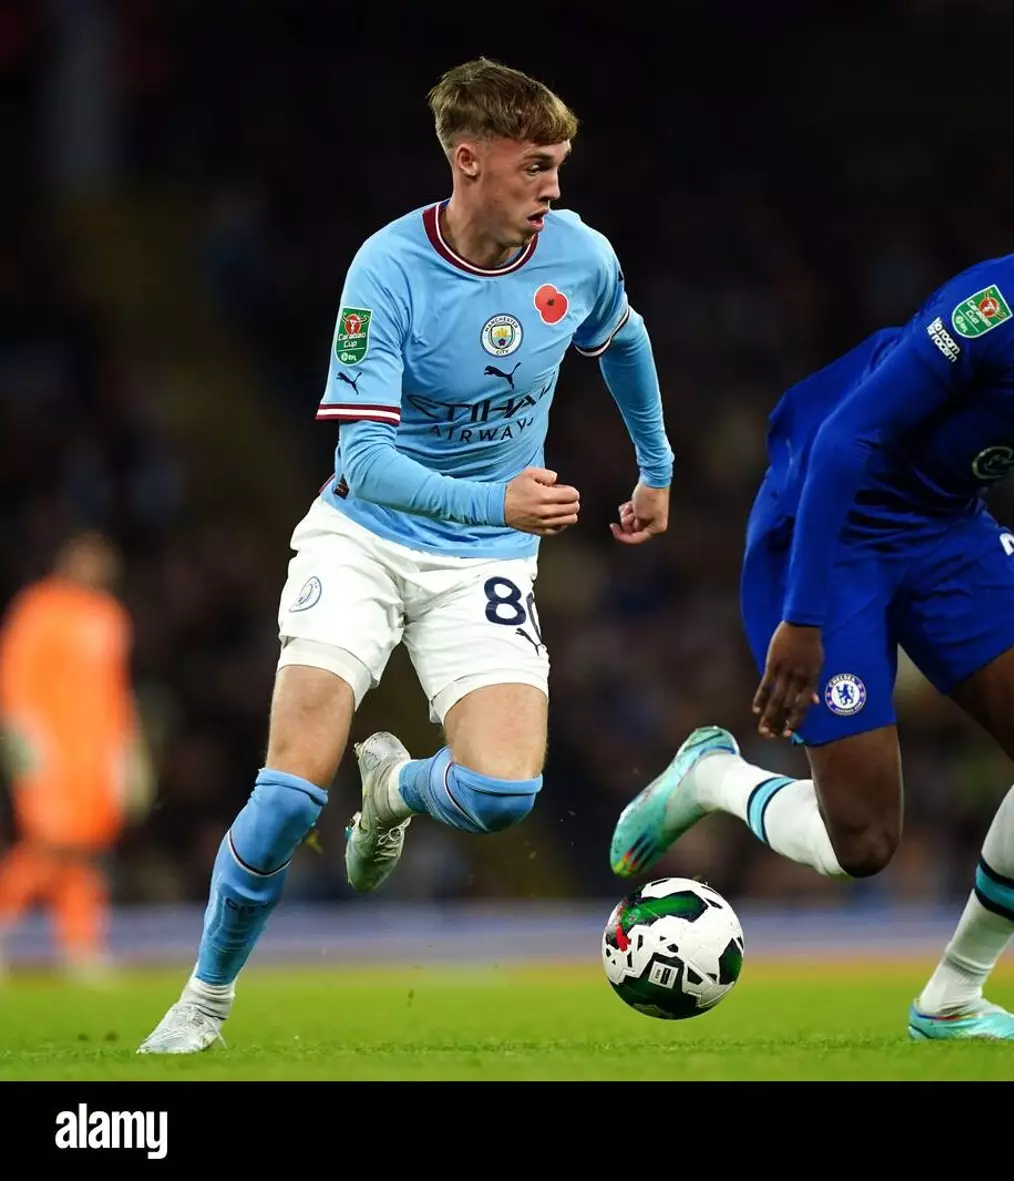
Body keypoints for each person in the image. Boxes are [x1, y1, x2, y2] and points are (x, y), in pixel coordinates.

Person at [609, 155, 1014, 1041]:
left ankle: (953, 998)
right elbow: (846, 437)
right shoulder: (998, 306)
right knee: (861, 845)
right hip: (833, 515)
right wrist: (803, 615)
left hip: (944, 525)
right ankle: (712, 776)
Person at [138, 57, 673, 1052]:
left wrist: (657, 466)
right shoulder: (386, 270)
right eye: (535, 167)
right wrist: (495, 497)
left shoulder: (578, 256)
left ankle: (392, 791)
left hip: (486, 560)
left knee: (504, 794)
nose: (554, 188)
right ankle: (203, 1001)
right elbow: (364, 461)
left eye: (559, 166)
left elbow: (625, 338)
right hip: (364, 541)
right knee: (288, 793)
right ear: (469, 160)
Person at [0, 530, 152, 980]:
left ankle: (80, 947)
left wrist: (127, 752)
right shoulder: (39, 609)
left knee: (85, 853)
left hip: (95, 758)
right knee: (49, 845)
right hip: (51, 752)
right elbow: (15, 677)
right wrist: (24, 738)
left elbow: (117, 692)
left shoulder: (110, 616)